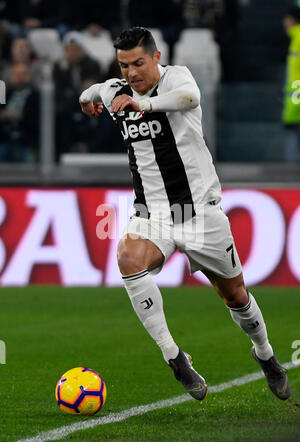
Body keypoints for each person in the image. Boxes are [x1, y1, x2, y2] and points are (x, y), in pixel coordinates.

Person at [79, 27, 290, 401]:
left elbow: (189, 97)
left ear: (156, 57)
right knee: (128, 258)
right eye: (124, 65)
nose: (131, 73)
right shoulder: (116, 90)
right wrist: (87, 98)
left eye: (139, 63)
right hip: (152, 213)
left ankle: (267, 355)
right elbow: (94, 90)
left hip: (200, 214)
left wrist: (141, 105)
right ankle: (174, 357)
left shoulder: (177, 78)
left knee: (236, 296)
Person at [282, 6, 300, 162]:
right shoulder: (295, 39)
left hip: (297, 99)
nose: (284, 22)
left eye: (287, 18)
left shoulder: (298, 39)